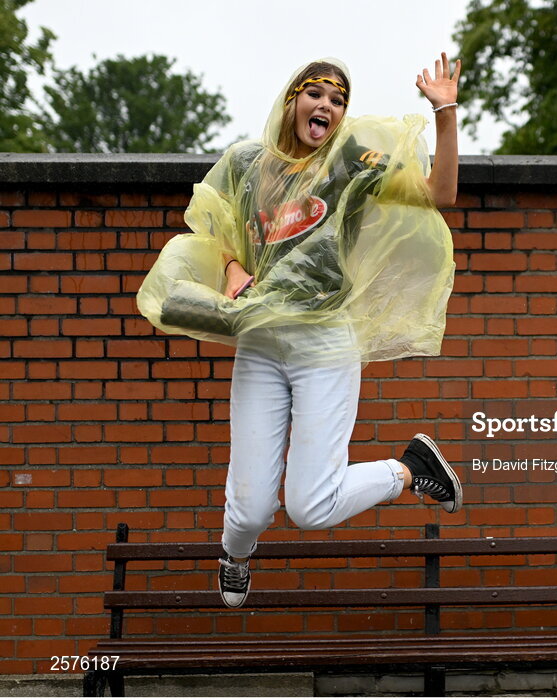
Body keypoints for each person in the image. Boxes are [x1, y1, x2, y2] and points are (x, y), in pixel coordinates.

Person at [136, 54, 463, 607]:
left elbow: (441, 194)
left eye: (338, 101)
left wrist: (446, 112)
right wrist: (234, 267)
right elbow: (210, 227)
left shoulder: (352, 162)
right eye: (317, 94)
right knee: (250, 509)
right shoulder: (244, 163)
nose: (328, 107)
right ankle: (235, 555)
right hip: (261, 344)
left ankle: (410, 469)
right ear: (293, 100)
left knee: (310, 507)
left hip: (325, 342)